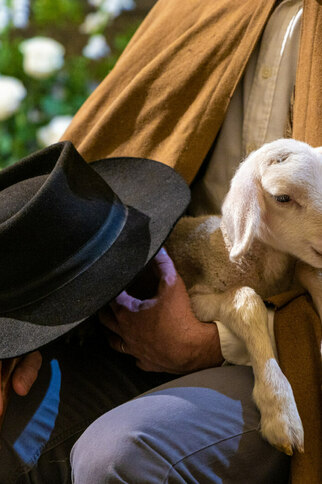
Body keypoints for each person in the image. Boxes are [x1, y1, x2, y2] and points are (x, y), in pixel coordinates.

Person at [0, 0, 321, 483]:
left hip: (287, 341)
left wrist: (214, 342)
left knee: (120, 452)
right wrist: (28, 326)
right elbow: (123, 143)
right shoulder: (201, 7)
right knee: (10, 430)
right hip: (148, 295)